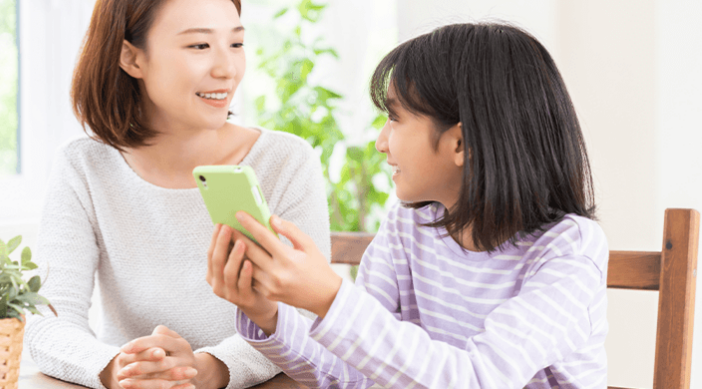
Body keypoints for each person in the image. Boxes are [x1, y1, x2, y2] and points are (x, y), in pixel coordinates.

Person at [207, 23, 608, 388]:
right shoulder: (408, 226)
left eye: (394, 119)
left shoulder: (569, 250)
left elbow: (480, 379)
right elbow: (351, 372)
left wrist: (329, 298)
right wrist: (267, 314)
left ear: (460, 144)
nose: (382, 142)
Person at [24, 0, 330, 389]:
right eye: (199, 45)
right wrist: (120, 369)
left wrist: (206, 370)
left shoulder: (284, 162)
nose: (227, 68)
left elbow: (302, 318)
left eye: (237, 43)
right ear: (132, 59)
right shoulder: (84, 166)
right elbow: (47, 318)